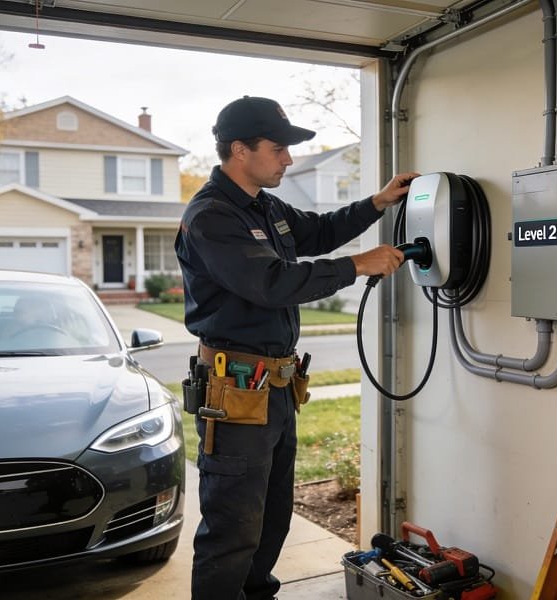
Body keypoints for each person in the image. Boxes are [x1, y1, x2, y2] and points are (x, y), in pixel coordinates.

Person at [174, 95, 418, 600]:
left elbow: (319, 231)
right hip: (236, 391)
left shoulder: (265, 207)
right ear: (240, 150)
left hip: (276, 389)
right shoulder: (211, 216)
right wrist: (357, 265)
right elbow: (271, 282)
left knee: (271, 517)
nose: (287, 159)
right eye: (278, 148)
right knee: (232, 527)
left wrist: (378, 202)